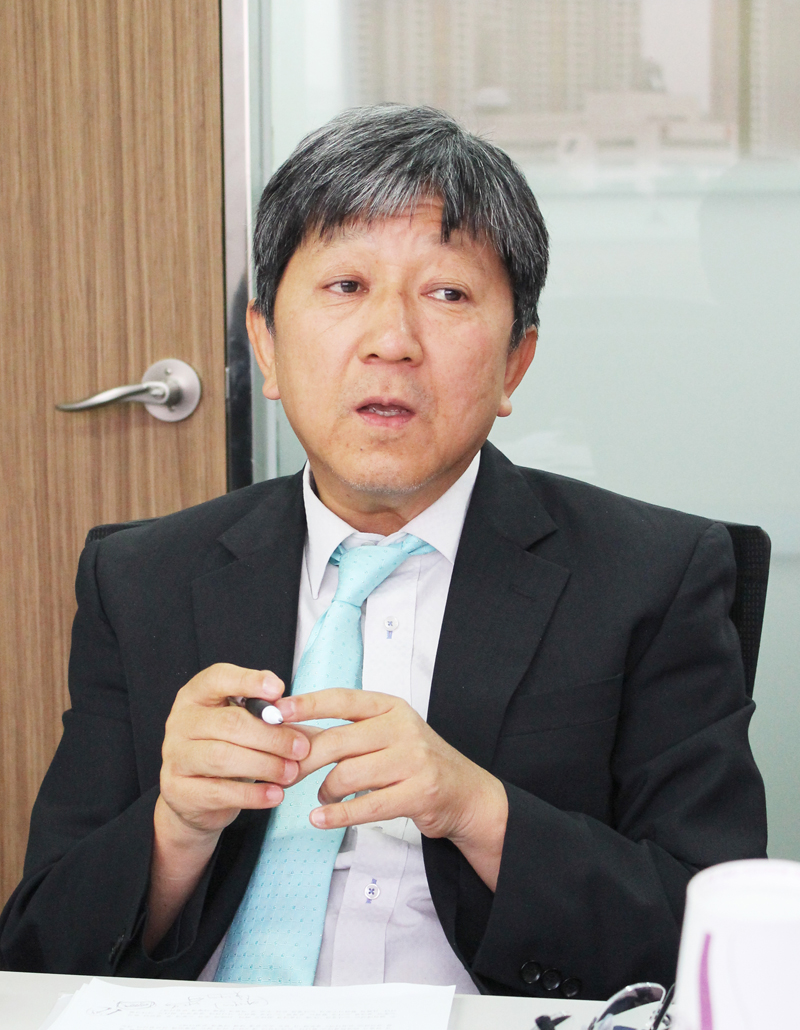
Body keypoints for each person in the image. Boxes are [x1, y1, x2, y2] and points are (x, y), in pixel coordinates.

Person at [0, 105, 766, 999]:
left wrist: (476, 810)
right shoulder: (142, 581)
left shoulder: (652, 578)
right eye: (346, 285)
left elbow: (709, 938)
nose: (392, 341)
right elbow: (35, 957)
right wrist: (174, 827)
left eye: (447, 295)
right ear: (266, 346)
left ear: (515, 363)